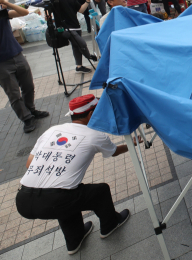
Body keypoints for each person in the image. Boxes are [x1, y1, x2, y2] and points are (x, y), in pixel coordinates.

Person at [16, 95, 132, 255]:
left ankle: (74, 240)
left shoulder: (52, 130)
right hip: (56, 200)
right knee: (100, 191)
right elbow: (114, 152)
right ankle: (110, 224)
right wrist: (133, 143)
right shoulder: (94, 134)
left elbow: (30, 163)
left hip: (23, 200)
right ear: (91, 115)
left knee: (66, 195)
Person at [0, 0, 49, 133]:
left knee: (28, 86)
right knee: (14, 94)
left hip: (17, 55)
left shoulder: (2, 14)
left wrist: (6, 3)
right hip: (2, 64)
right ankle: (26, 119)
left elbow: (24, 13)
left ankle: (31, 109)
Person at [49, 0, 97, 73]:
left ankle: (79, 66)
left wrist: (87, 2)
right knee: (82, 43)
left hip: (75, 25)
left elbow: (80, 10)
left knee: (76, 46)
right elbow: (47, 10)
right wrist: (47, 15)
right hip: (64, 27)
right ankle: (90, 57)